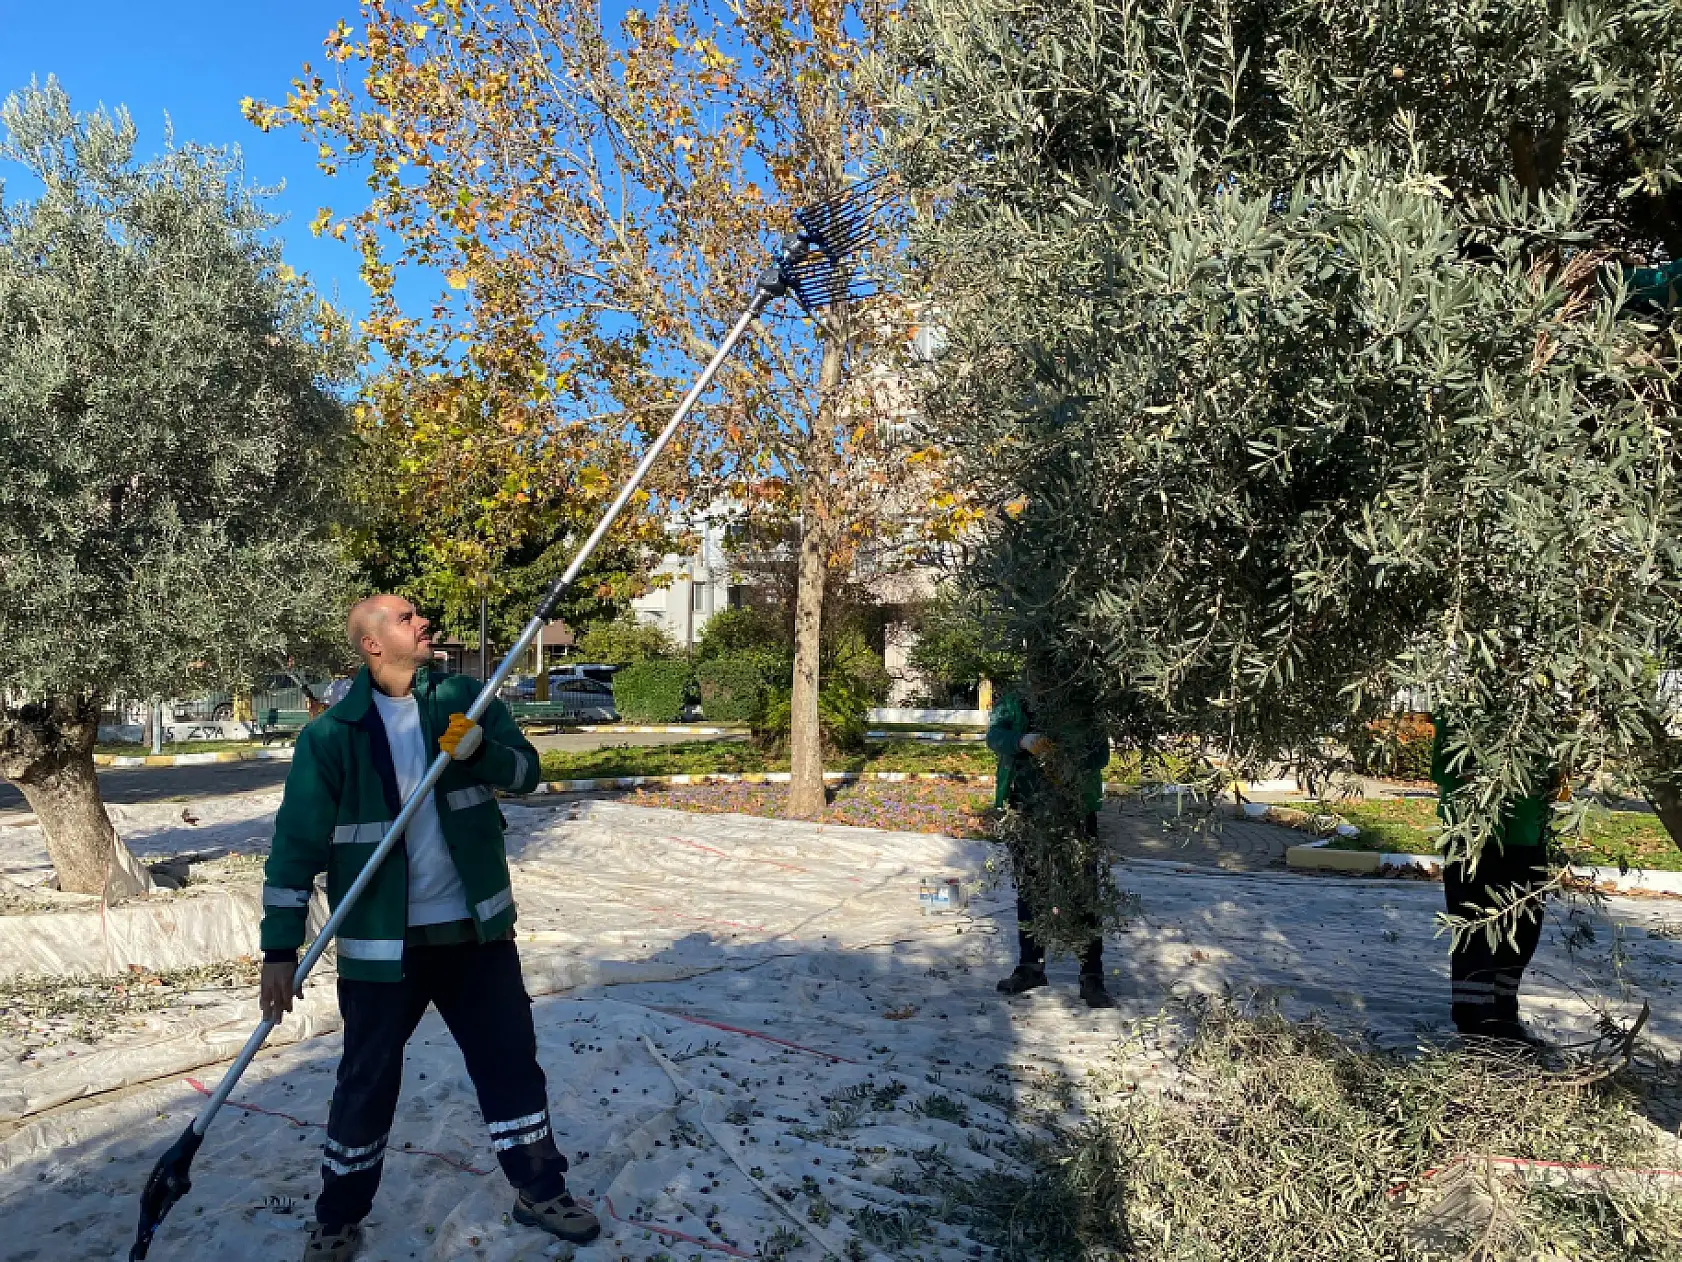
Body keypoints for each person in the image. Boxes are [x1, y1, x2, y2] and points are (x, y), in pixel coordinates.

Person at [258, 595, 599, 1261]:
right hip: (383, 949)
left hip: (476, 936)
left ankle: (540, 1188)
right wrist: (279, 947)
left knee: (510, 1067)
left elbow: (527, 772)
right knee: (366, 1080)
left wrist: (480, 750)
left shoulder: (467, 697)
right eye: (405, 618)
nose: (423, 623)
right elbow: (294, 846)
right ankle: (339, 1215)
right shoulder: (334, 735)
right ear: (371, 644)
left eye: (419, 615)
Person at [988, 684, 1115, 1008]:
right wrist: (1021, 741)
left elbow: (1100, 754)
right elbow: (995, 736)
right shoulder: (1015, 698)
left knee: (1083, 890)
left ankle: (1092, 975)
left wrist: (1066, 757)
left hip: (1073, 808)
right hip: (1025, 807)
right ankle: (1031, 967)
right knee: (1030, 889)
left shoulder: (1083, 701)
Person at [1430, 715, 1553, 1045]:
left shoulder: (1538, 707)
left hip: (1528, 835)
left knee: (1522, 929)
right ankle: (1473, 1019)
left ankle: (1503, 1013)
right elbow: (1445, 766)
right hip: (1474, 836)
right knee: (1474, 926)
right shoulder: (1465, 703)